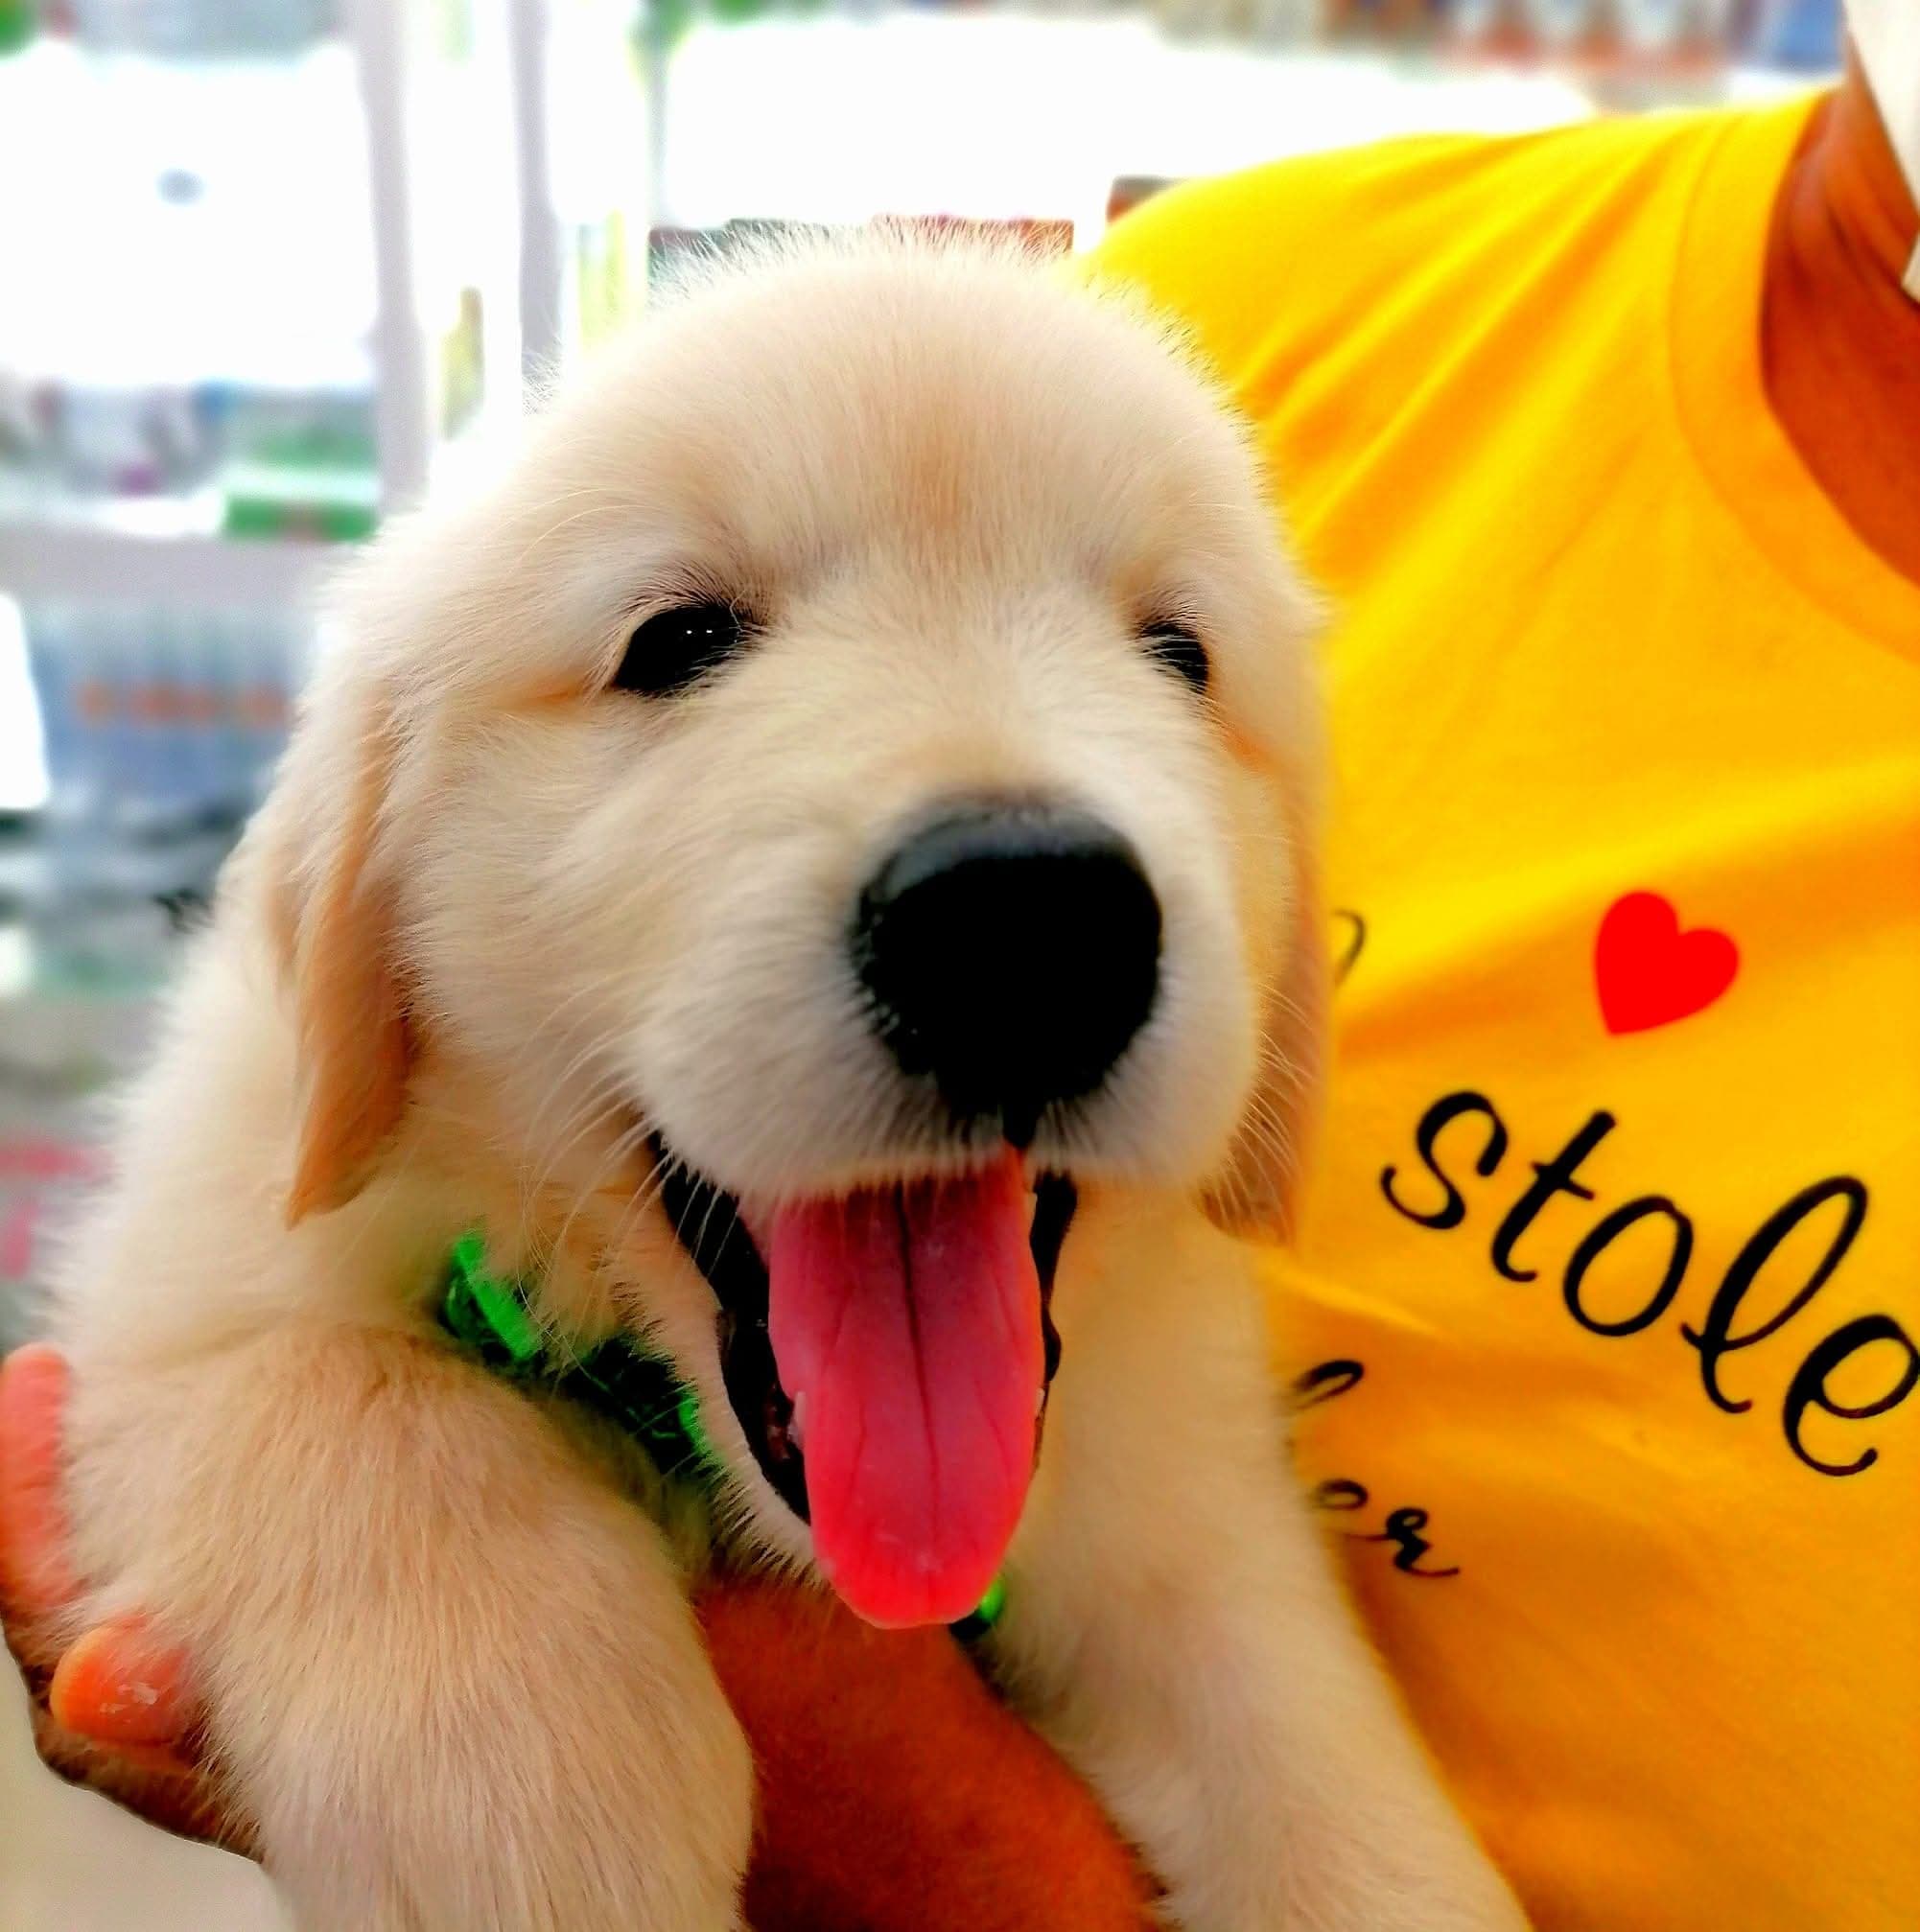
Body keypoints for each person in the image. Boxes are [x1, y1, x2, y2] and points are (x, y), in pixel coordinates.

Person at [4, 6, 1915, 1924]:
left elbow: (1239, 1695)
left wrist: (945, 1853)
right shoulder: (1300, 294)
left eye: (1171, 657)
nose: (1031, 796)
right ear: (361, 874)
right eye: (675, 643)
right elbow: (175, 1357)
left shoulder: (1144, 1302)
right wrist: (356, 1512)